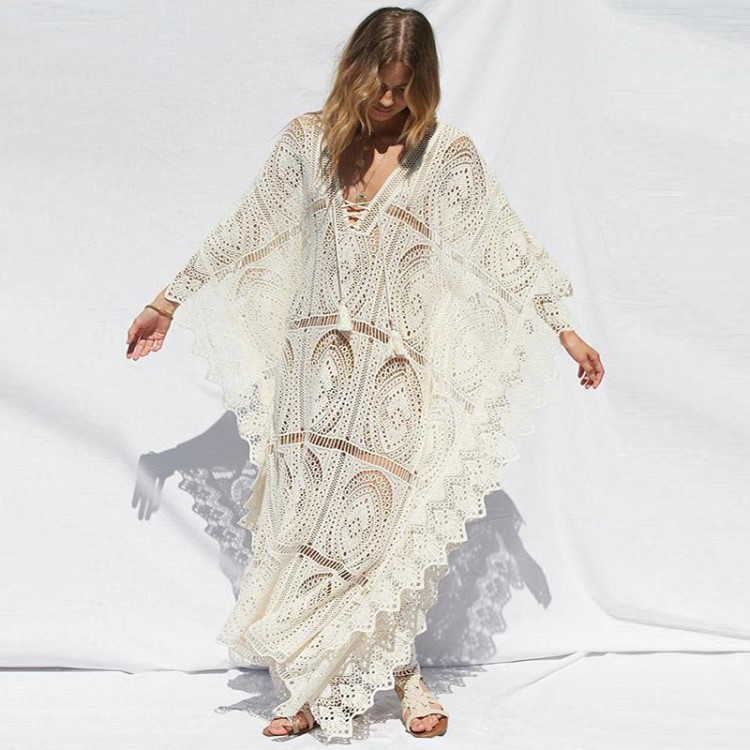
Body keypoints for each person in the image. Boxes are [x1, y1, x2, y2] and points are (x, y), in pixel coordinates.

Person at [126, 6, 604, 741]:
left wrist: (563, 329)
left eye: (404, 88)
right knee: (306, 526)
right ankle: (307, 683)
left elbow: (502, 243)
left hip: (394, 380)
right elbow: (246, 226)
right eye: (380, 85)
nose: (389, 100)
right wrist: (168, 300)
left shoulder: (444, 156)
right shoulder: (307, 143)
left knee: (383, 530)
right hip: (311, 377)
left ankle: (405, 677)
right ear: (354, 72)